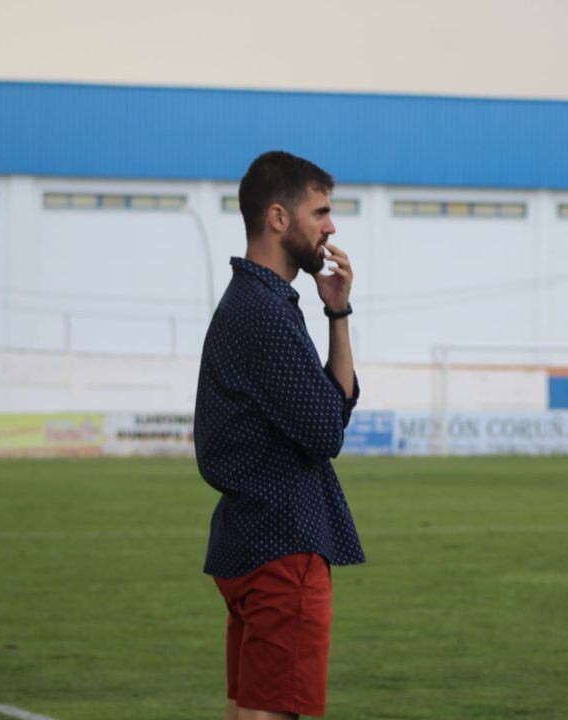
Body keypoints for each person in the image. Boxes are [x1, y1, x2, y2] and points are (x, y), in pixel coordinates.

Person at [194, 150, 365, 720]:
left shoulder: (259, 304)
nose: (331, 226)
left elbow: (331, 414)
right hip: (282, 545)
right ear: (277, 218)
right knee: (273, 712)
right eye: (320, 212)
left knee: (254, 708)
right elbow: (326, 432)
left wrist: (337, 314)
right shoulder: (263, 313)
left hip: (252, 540)